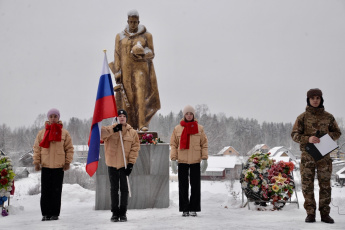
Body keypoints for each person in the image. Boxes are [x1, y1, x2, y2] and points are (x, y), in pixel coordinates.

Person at [291, 88, 341, 224]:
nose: (315, 100)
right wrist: (308, 139)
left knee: (325, 185)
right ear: (308, 100)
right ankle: (310, 214)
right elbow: (294, 135)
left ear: (321, 99)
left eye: (317, 98)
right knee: (307, 185)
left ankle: (325, 214)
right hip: (308, 156)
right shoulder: (302, 117)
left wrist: (326, 137)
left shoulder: (329, 117)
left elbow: (337, 132)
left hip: (324, 156)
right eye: (312, 98)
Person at [109, 9, 161, 131]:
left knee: (140, 94)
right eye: (131, 22)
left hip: (141, 70)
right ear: (128, 21)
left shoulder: (146, 35)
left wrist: (142, 53)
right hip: (126, 72)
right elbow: (117, 55)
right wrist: (117, 71)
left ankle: (142, 123)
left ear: (138, 22)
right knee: (128, 97)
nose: (133, 24)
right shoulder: (120, 37)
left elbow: (152, 53)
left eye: (135, 22)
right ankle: (129, 125)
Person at [33, 108, 74, 221]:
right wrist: (37, 162)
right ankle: (45, 214)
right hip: (45, 166)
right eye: (51, 116)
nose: (53, 118)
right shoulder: (41, 133)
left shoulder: (64, 133)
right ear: (48, 118)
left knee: (56, 191)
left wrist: (67, 162)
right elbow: (37, 149)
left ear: (58, 117)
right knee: (45, 191)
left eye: (55, 116)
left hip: (58, 167)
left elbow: (69, 149)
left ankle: (55, 213)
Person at [101, 109, 140, 222]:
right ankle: (114, 213)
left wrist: (131, 164)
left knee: (124, 189)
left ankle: (123, 213)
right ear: (116, 118)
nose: (122, 117)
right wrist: (114, 129)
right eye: (119, 116)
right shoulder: (110, 129)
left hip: (124, 165)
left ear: (126, 118)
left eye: (124, 116)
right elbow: (100, 134)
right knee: (113, 189)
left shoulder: (132, 132)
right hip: (112, 164)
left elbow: (135, 148)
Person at [170, 105, 208, 217]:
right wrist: (173, 159)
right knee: (183, 186)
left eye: (191, 113)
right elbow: (173, 145)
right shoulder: (177, 129)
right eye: (187, 113)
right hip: (182, 161)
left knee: (195, 186)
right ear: (184, 115)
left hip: (195, 161)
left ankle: (194, 208)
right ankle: (185, 209)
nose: (189, 115)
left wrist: (204, 158)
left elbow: (204, 144)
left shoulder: (200, 128)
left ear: (193, 115)